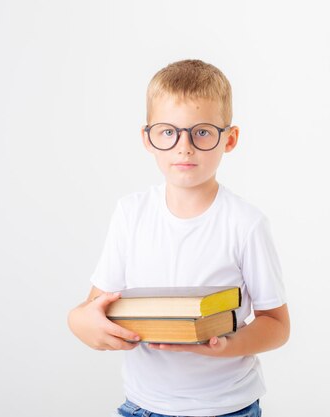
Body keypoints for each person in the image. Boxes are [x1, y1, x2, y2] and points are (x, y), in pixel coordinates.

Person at [67, 59, 290, 417]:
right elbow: (94, 306)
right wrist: (79, 323)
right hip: (142, 406)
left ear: (229, 139)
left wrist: (224, 346)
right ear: (148, 138)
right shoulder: (130, 214)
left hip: (227, 408)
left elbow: (277, 326)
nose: (184, 147)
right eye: (168, 132)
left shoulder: (245, 223)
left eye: (201, 132)